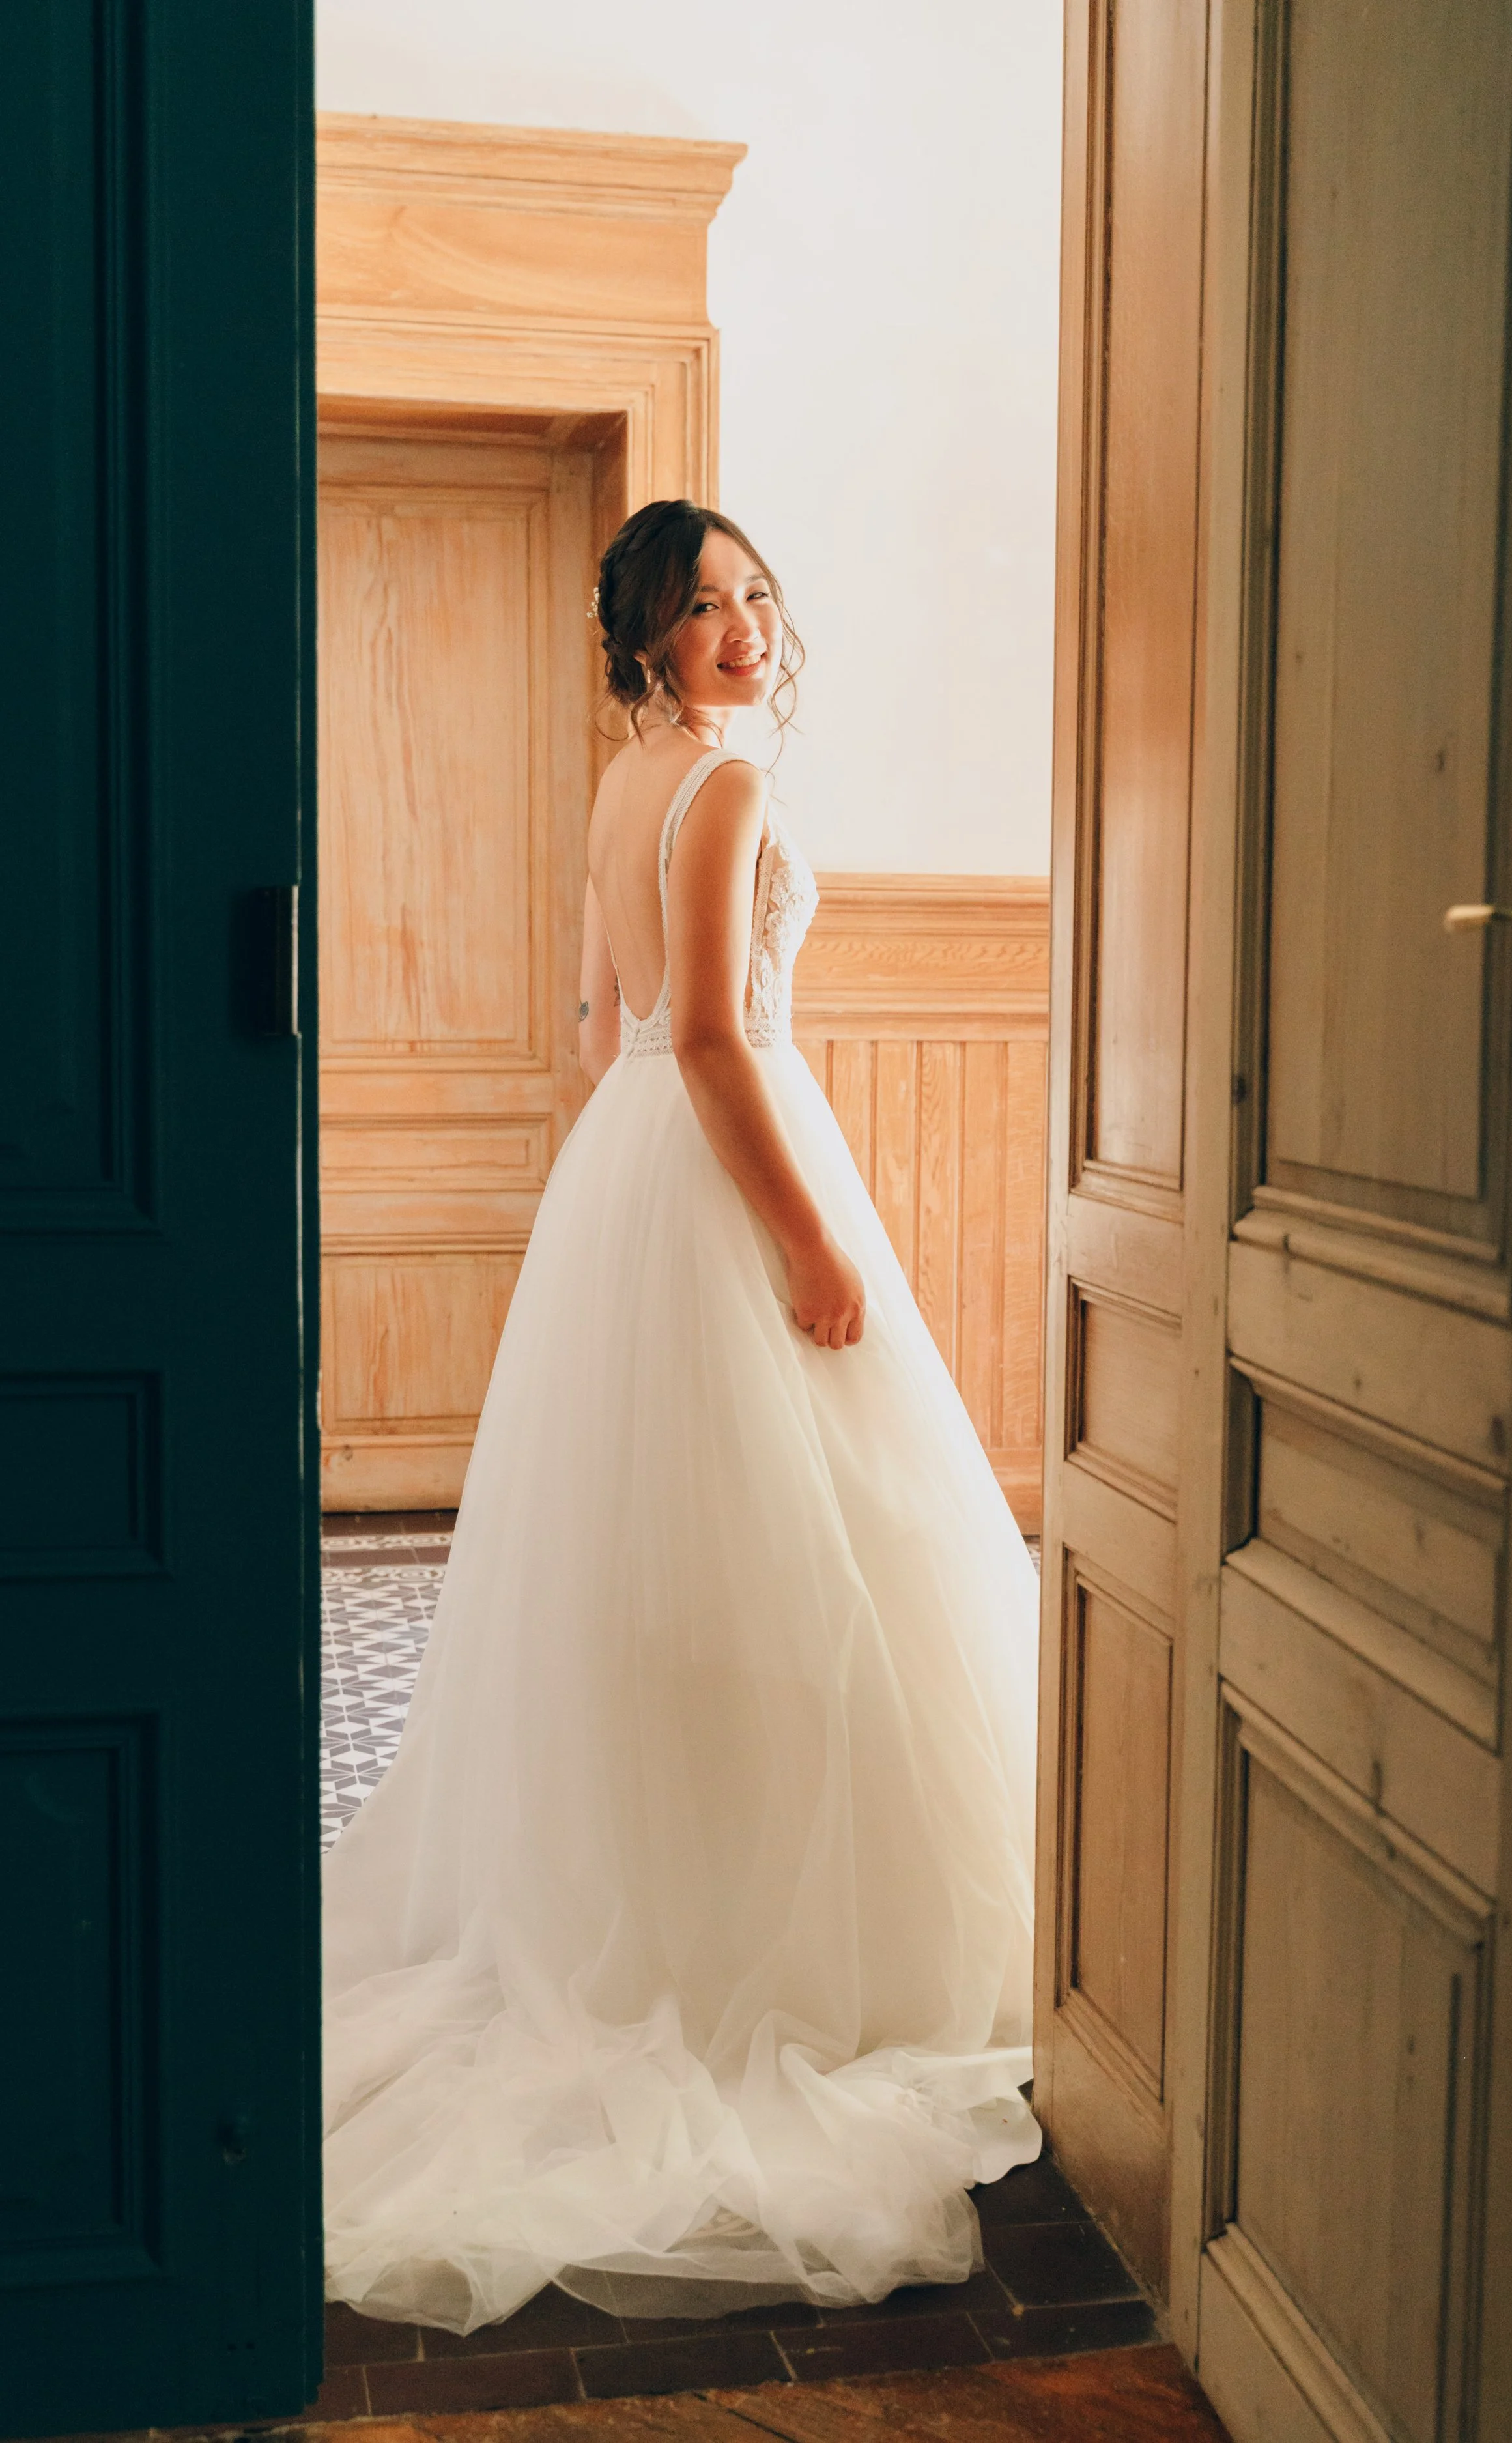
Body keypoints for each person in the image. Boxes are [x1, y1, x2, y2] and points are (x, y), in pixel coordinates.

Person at [322, 499, 1042, 2337]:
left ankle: (654, 1890)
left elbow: (600, 1027)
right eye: (700, 605)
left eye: (751, 596)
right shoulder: (716, 790)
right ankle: (767, 1943)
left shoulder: (620, 780)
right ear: (642, 634)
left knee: (689, 1555)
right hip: (725, 1155)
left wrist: (645, 1165)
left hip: (626, 1172)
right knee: (812, 1555)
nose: (737, 626)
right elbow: (712, 1032)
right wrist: (806, 1236)